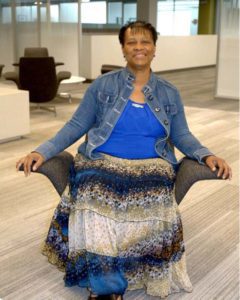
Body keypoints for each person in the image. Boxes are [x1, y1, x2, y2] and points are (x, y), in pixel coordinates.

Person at [16, 21, 232, 300]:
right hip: (101, 160)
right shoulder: (103, 87)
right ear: (123, 48)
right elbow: (75, 125)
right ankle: (106, 286)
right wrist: (41, 151)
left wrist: (207, 154)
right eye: (132, 42)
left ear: (154, 48)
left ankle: (136, 271)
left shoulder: (169, 92)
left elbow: (182, 135)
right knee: (94, 195)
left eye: (145, 42)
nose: (139, 48)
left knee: (151, 198)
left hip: (152, 163)